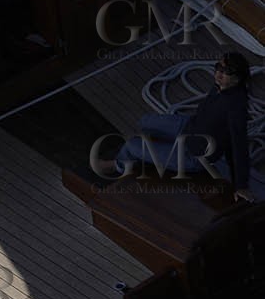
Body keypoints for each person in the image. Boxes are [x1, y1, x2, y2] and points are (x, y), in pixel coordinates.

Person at [96, 51, 255, 199]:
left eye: (226, 71)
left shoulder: (236, 108)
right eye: (218, 67)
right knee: (145, 121)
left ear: (238, 78)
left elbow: (238, 147)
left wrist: (240, 186)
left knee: (132, 145)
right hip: (189, 126)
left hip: (193, 155)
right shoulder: (220, 87)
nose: (219, 73)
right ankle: (147, 156)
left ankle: (118, 166)